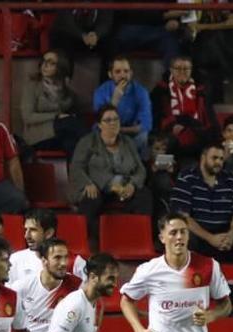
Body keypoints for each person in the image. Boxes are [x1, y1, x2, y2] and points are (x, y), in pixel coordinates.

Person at [69, 105, 152, 252]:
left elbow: (140, 169)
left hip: (125, 187)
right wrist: (87, 183)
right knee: (90, 199)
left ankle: (135, 240)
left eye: (115, 119)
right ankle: (99, 243)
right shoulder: (88, 142)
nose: (113, 123)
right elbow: (76, 167)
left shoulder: (128, 142)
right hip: (98, 186)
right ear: (99, 124)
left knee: (144, 196)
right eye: (107, 120)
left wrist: (132, 184)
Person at [170, 144, 233, 264]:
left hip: (225, 236)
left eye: (221, 159)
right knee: (185, 237)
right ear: (203, 158)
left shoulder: (231, 181)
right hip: (199, 236)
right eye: (214, 158)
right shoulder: (186, 178)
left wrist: (231, 235)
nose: (218, 162)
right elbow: (183, 217)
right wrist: (210, 238)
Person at [20, 50, 87, 160]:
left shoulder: (65, 90)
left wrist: (64, 89)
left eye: (51, 63)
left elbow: (71, 107)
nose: (45, 65)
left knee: (71, 143)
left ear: (61, 67)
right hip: (37, 136)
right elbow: (27, 117)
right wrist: (56, 116)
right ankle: (98, 150)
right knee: (71, 123)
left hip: (58, 135)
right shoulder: (32, 87)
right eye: (44, 61)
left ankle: (78, 175)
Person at [150, 56, 217, 158]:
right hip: (169, 134)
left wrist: (187, 125)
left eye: (186, 69)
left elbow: (209, 117)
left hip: (196, 133)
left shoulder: (201, 91)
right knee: (164, 143)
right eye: (178, 69)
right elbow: (157, 117)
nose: (182, 72)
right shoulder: (160, 91)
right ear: (171, 70)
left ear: (191, 70)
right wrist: (172, 125)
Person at [92, 56, 152, 158]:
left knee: (143, 136)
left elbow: (146, 124)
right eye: (118, 72)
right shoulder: (101, 91)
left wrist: (122, 130)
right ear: (110, 74)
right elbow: (100, 120)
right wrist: (114, 100)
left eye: (126, 71)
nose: (123, 75)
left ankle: (134, 168)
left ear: (131, 73)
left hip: (131, 132)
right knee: (97, 131)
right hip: (107, 130)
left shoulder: (141, 92)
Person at [49, 7, 113, 75]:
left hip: (94, 35)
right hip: (71, 32)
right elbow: (64, 19)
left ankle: (109, 84)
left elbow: (106, 21)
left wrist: (97, 34)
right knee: (61, 39)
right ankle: (62, 80)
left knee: (112, 43)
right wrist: (82, 35)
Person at [8, 209, 58, 285]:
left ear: (49, 233)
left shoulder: (74, 263)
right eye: (26, 230)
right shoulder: (15, 260)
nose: (26, 236)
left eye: (33, 230)